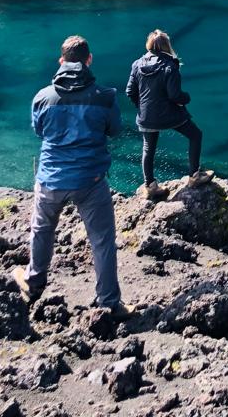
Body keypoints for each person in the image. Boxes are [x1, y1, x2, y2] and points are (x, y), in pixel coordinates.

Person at [14, 35, 124, 313]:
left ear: (61, 61)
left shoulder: (43, 97)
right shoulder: (105, 96)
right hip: (91, 180)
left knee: (41, 230)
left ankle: (34, 283)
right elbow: (115, 130)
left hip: (51, 178)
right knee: (102, 241)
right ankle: (109, 303)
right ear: (89, 60)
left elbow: (39, 131)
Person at [128, 29, 212, 197]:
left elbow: (130, 91)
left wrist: (143, 106)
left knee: (148, 148)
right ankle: (195, 175)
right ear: (167, 45)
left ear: (149, 45)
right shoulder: (170, 66)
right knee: (195, 135)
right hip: (169, 115)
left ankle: (150, 186)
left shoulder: (137, 64)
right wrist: (186, 98)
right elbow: (175, 96)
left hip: (146, 116)